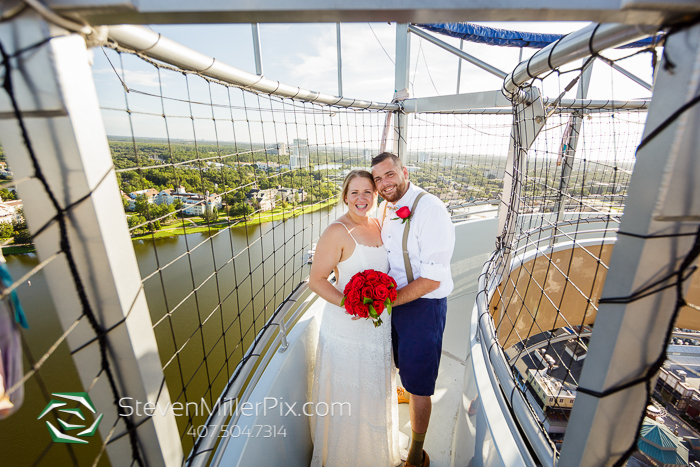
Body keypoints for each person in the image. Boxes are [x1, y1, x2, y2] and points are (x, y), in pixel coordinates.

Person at [308, 169, 401, 467]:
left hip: (377, 328)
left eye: (367, 192)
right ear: (345, 196)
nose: (361, 198)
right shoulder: (337, 231)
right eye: (354, 192)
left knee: (373, 390)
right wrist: (349, 304)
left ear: (375, 195)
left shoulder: (379, 224)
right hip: (346, 328)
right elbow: (317, 280)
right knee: (348, 394)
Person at [371, 152, 456, 467]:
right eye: (378, 179)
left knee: (420, 385)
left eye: (389, 175)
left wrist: (385, 301)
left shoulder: (431, 209)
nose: (384, 183)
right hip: (396, 302)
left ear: (404, 172)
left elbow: (432, 280)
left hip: (424, 306)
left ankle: (417, 454)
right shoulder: (386, 207)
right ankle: (404, 390)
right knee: (396, 361)